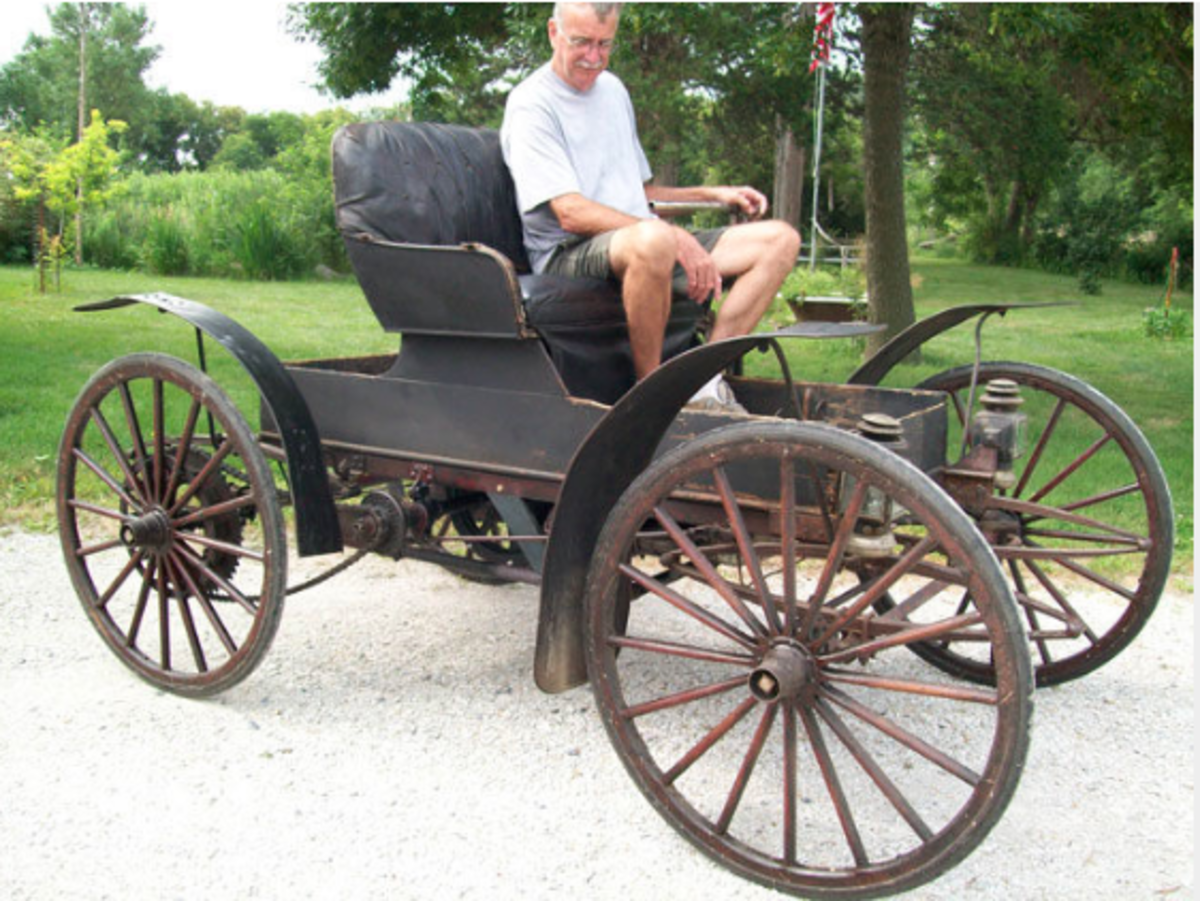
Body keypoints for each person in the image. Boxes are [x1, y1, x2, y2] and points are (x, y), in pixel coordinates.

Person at [500, 1, 801, 407]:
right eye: (582, 42)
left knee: (779, 241)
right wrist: (669, 236)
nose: (594, 58)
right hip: (566, 252)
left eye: (605, 44)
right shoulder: (532, 104)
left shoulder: (613, 90)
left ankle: (701, 382)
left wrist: (713, 193)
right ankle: (651, 398)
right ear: (554, 33)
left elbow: (638, 194)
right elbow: (570, 213)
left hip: (639, 241)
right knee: (656, 240)